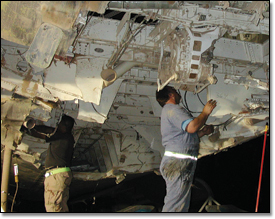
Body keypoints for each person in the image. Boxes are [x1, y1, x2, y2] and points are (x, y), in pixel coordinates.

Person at [156, 85, 217, 212]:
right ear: (171, 95)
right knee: (175, 205)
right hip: (177, 164)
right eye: (175, 91)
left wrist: (202, 133)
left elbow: (185, 135)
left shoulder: (169, 111)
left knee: (179, 203)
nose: (178, 93)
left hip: (177, 163)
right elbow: (192, 127)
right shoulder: (173, 109)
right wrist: (205, 112)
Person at [20, 114, 75, 212]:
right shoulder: (68, 138)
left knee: (53, 207)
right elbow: (49, 130)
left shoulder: (61, 137)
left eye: (60, 124)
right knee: (61, 207)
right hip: (62, 175)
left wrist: (25, 129)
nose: (58, 125)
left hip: (56, 176)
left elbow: (41, 134)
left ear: (65, 126)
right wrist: (34, 126)